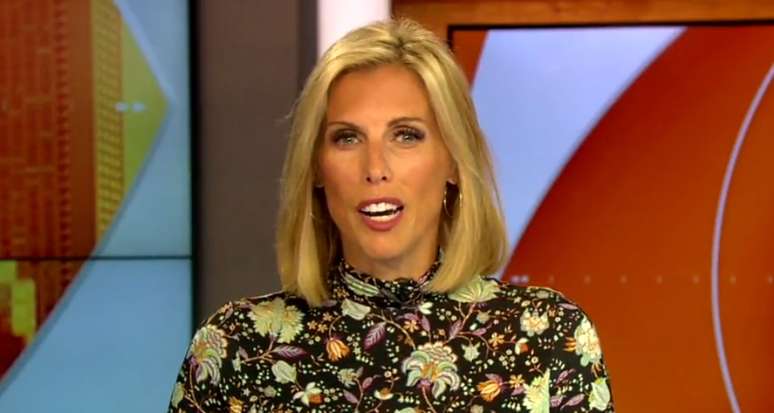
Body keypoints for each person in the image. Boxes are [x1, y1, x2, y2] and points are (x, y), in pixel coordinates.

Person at [168, 18, 613, 413]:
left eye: (406, 135)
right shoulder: (236, 347)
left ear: (454, 161)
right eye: (347, 138)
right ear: (316, 167)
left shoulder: (547, 337)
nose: (375, 168)